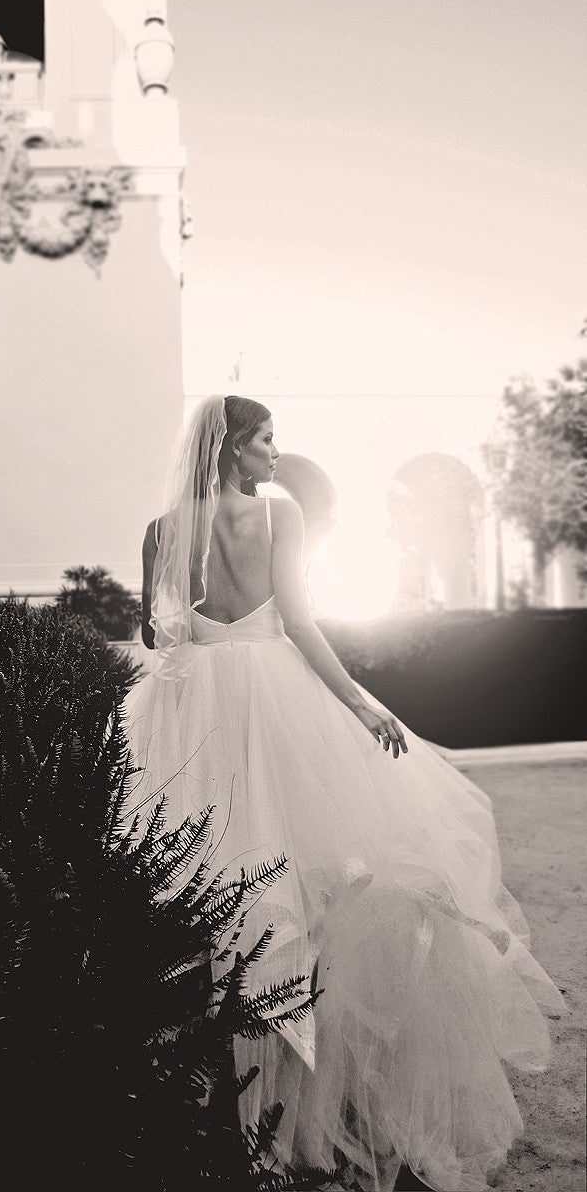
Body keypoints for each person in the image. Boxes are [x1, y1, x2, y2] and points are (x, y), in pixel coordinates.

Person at [122, 394, 565, 1192]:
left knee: (219, 892)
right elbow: (298, 620)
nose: (273, 455)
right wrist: (359, 703)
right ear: (231, 450)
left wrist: (190, 639)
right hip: (276, 698)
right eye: (264, 441)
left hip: (194, 710)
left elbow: (155, 634)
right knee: (316, 889)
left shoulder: (161, 530)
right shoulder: (277, 517)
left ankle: (233, 1110)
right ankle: (320, 1101)